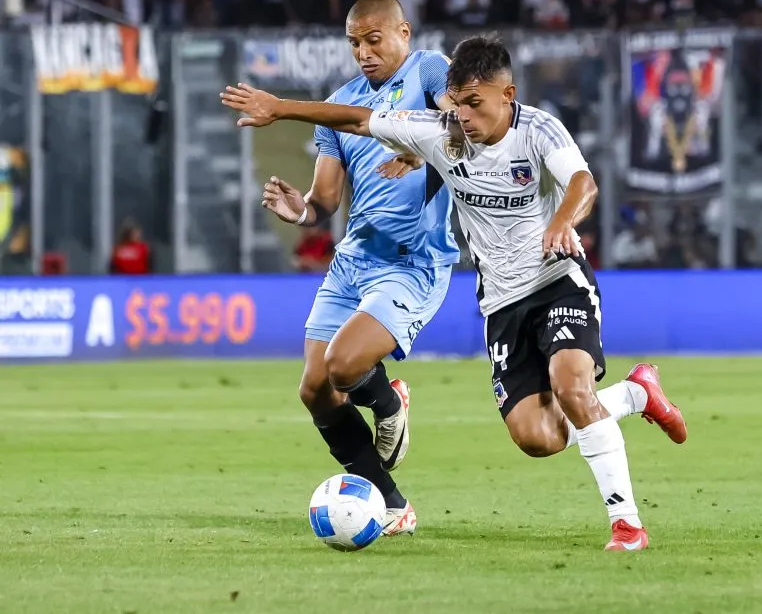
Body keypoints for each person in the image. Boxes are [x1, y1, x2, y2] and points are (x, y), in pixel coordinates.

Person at [221, 34, 687, 551]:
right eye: (457, 101)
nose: (463, 115)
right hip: (502, 301)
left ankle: (627, 525)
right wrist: (278, 108)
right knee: (538, 437)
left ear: (507, 95)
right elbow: (355, 119)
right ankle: (636, 393)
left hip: (559, 279)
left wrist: (560, 221)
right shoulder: (439, 135)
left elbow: (583, 184)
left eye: (475, 102)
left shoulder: (538, 130)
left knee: (571, 386)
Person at [253, 0, 461, 537]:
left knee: (345, 367)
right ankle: (393, 505)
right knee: (315, 389)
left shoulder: (430, 68)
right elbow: (324, 200)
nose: (364, 53)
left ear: (403, 33)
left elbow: (458, 126)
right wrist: (299, 210)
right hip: (352, 263)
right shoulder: (337, 104)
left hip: (411, 261)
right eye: (354, 44)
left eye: (374, 40)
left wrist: (421, 149)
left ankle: (387, 398)